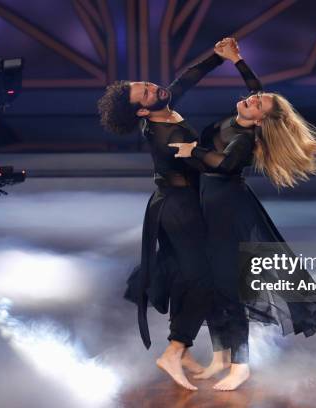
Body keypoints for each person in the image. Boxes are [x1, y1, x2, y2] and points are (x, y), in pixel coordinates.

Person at [170, 39, 316, 391]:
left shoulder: (247, 138)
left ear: (260, 119)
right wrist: (237, 61)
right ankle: (220, 356)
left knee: (227, 289)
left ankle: (241, 364)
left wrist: (194, 151)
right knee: (212, 287)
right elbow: (257, 90)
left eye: (257, 103)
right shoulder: (244, 114)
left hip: (227, 212)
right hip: (209, 206)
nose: (251, 99)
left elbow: (226, 164)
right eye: (254, 97)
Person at [98, 39, 244, 390]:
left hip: (173, 204)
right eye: (145, 93)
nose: (153, 87)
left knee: (187, 276)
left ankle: (193, 351)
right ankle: (175, 351)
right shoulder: (167, 136)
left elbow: (186, 78)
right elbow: (214, 165)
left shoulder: (163, 107)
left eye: (146, 84)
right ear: (142, 113)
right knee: (202, 279)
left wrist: (217, 57)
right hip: (180, 210)